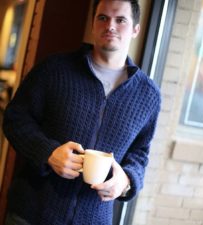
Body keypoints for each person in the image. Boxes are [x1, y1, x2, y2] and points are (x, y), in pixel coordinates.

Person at [3, 0, 161, 224]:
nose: (110, 26)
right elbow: (15, 119)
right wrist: (48, 152)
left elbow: (140, 153)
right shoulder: (54, 69)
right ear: (93, 24)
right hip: (30, 214)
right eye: (103, 18)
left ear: (136, 29)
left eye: (121, 20)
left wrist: (126, 180)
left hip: (94, 218)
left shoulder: (148, 94)